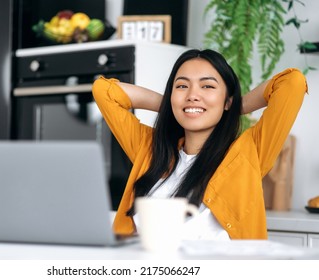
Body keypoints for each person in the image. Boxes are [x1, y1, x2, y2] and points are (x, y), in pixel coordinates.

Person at [92, 49, 307, 240]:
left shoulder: (250, 153)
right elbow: (103, 90)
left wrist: (233, 108)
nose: (193, 95)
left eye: (207, 86)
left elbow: (292, 83)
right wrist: (174, 106)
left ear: (227, 99)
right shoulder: (149, 149)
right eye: (182, 86)